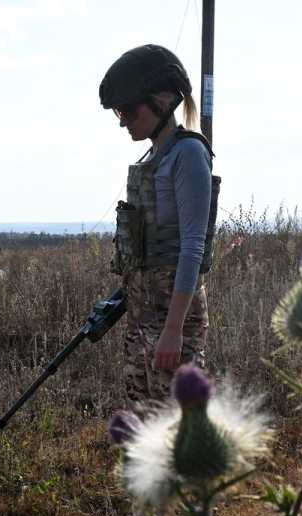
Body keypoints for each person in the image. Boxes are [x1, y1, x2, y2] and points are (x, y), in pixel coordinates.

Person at [99, 44, 220, 410]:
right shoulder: (151, 157)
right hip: (141, 311)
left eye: (128, 109)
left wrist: (173, 331)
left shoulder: (189, 154)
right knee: (144, 418)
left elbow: (192, 247)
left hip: (172, 316)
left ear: (163, 99)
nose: (123, 121)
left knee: (177, 423)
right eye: (118, 112)